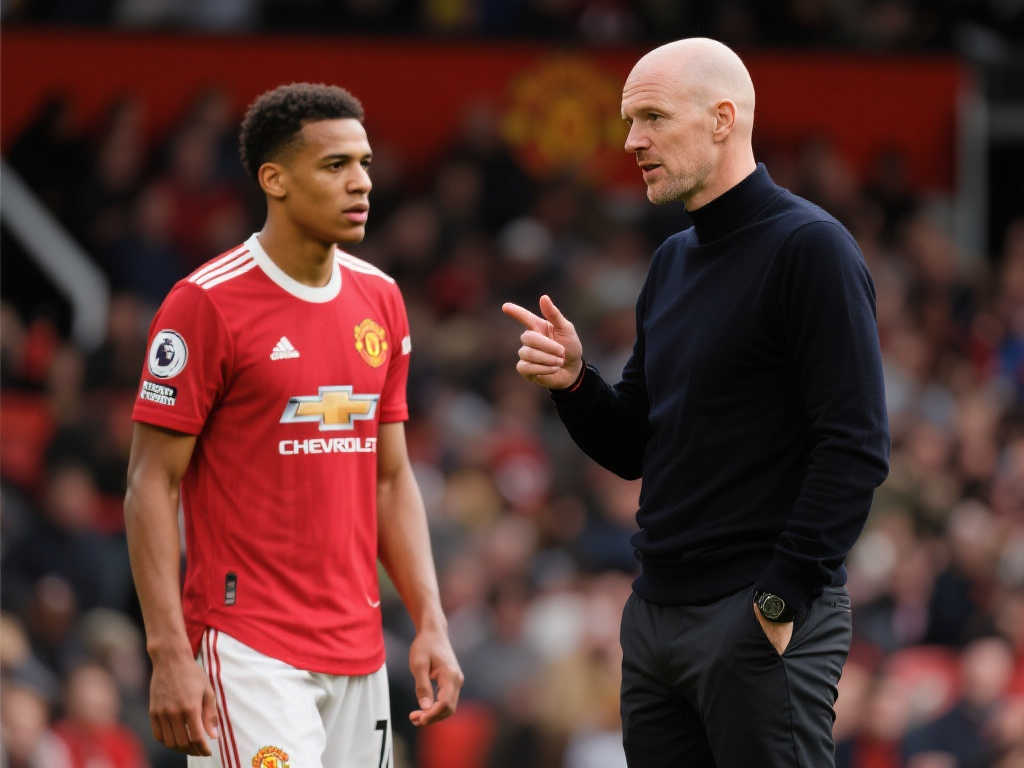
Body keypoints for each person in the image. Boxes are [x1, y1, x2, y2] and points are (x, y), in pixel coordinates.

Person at [503, 38, 889, 767]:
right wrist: (576, 384)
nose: (631, 141)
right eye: (629, 121)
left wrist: (780, 600)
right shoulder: (673, 260)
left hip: (757, 612)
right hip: (658, 617)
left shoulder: (812, 248)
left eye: (652, 117)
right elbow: (634, 447)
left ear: (722, 119)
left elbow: (856, 446)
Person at [124, 83, 462, 766]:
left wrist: (431, 621)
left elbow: (391, 480)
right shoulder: (204, 304)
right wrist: (168, 652)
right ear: (274, 179)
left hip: (360, 651)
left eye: (364, 163)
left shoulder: (382, 299)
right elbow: (149, 484)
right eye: (335, 165)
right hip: (248, 649)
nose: (361, 182)